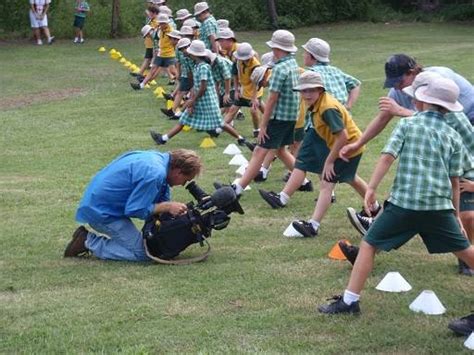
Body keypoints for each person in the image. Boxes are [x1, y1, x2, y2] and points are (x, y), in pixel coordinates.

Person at [318, 77, 474, 314]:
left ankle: (349, 302)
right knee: (465, 251)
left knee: (369, 244)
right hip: (439, 208)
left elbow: (387, 157)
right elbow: (454, 181)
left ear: (420, 101)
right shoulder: (453, 136)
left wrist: (370, 189)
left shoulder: (407, 124)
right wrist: (455, 215)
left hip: (403, 205)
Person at [343, 54, 474, 235]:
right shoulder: (401, 89)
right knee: (415, 178)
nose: (397, 87)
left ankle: (462, 243)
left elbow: (440, 121)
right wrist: (357, 144)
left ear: (412, 73)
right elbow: (383, 118)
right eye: (393, 83)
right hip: (443, 133)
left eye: (400, 81)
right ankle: (378, 226)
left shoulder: (438, 83)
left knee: (460, 192)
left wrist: (400, 111)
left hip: (467, 122)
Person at [258, 71, 375, 238]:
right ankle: (375, 208)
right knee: (350, 178)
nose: (306, 94)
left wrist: (329, 161)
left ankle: (313, 225)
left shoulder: (328, 109)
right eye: (303, 91)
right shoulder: (316, 103)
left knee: (327, 184)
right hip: (345, 147)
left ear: (320, 89)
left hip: (348, 148)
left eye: (311, 90)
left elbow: (342, 136)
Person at [64, 149, 202, 261]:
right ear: (178, 171)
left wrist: (169, 210)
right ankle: (87, 241)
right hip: (102, 213)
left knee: (142, 246)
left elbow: (159, 192)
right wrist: (167, 207)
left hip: (99, 204)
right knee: (145, 254)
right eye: (185, 180)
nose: (183, 184)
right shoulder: (155, 173)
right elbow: (135, 209)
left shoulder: (156, 159)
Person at [149, 40, 254, 150]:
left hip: (207, 100)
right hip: (199, 99)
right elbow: (196, 85)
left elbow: (203, 88)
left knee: (220, 122)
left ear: (195, 54)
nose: (188, 53)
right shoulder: (197, 66)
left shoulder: (204, 67)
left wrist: (193, 100)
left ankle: (240, 138)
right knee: (183, 120)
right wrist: (191, 100)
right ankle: (163, 139)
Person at [231, 30, 300, 197]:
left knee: (259, 151)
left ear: (277, 49)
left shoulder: (279, 69)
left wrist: (263, 125)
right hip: (291, 116)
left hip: (279, 117)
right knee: (281, 151)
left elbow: (271, 99)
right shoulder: (293, 64)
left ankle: (238, 189)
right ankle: (303, 181)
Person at [131, 14, 181, 90]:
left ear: (166, 23)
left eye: (162, 23)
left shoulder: (171, 31)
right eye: (160, 23)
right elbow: (158, 42)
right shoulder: (160, 31)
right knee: (152, 70)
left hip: (169, 55)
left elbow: (175, 43)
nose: (160, 25)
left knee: (173, 71)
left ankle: (181, 85)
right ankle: (141, 85)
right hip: (160, 54)